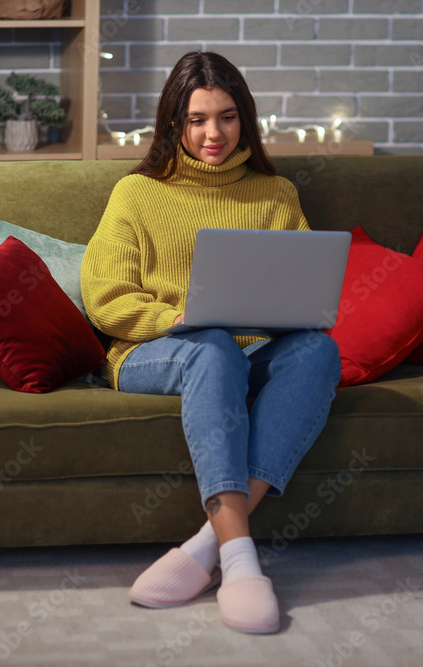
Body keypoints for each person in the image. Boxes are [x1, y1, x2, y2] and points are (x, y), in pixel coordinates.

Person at [80, 51, 342, 635]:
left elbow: (302, 292)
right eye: (197, 119)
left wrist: (288, 315)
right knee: (213, 344)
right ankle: (243, 562)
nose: (212, 133)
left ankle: (206, 546)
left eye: (226, 117)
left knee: (319, 351)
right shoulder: (136, 193)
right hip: (155, 349)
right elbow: (105, 296)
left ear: (244, 120)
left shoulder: (276, 193)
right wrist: (176, 317)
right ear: (174, 123)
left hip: (249, 349)